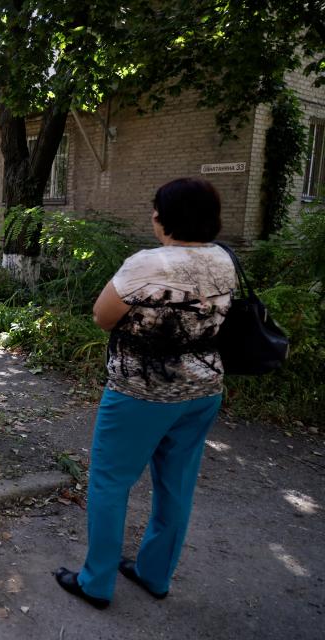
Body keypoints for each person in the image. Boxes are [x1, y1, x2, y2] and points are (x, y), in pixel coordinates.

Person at [54, 178, 236, 609]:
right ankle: (155, 574)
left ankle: (96, 582)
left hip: (141, 392)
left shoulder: (149, 263)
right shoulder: (225, 259)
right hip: (204, 388)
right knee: (176, 486)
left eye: (156, 209)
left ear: (164, 217)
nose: (153, 216)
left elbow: (102, 316)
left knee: (110, 482)